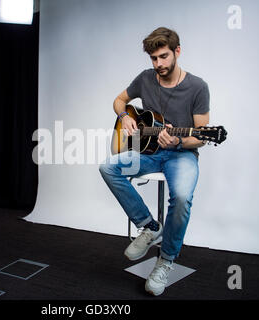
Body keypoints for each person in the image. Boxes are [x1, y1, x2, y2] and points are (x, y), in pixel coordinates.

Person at [99, 27, 210, 296]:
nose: (158, 64)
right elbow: (118, 100)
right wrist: (125, 115)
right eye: (153, 59)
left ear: (177, 52)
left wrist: (179, 141)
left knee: (182, 196)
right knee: (108, 167)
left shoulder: (197, 87)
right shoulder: (145, 78)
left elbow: (202, 137)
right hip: (148, 153)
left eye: (163, 57)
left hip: (181, 154)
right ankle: (149, 226)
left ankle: (166, 260)